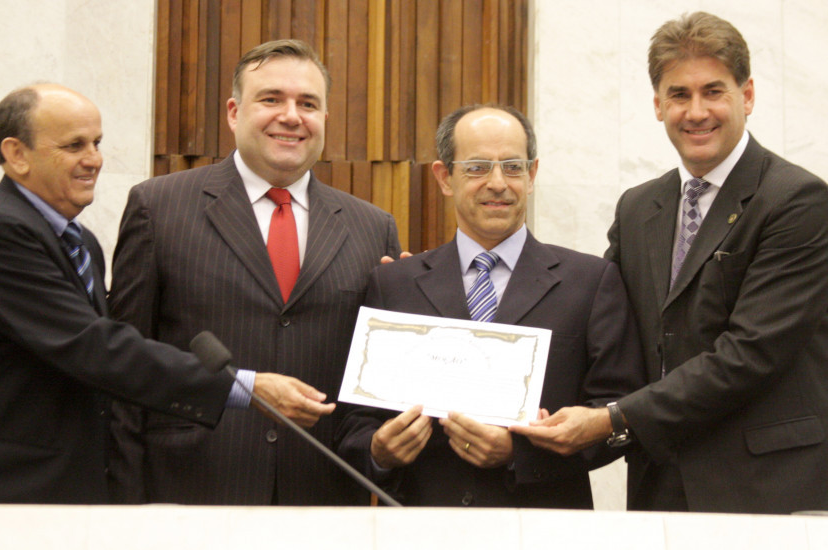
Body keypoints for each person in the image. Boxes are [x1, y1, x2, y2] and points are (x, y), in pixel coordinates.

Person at [511, 12, 828, 514]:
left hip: (767, 490)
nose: (696, 111)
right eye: (679, 94)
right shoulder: (639, 207)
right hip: (661, 488)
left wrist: (611, 418)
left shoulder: (798, 201)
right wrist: (442, 290)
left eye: (713, 91)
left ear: (747, 96)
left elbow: (749, 355)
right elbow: (591, 314)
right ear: (658, 105)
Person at [108, 39, 401, 505]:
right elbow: (123, 367)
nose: (291, 116)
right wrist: (124, 507)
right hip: (187, 495)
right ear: (233, 112)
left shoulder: (373, 228)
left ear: (325, 119)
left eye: (308, 104)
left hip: (322, 502)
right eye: (271, 99)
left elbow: (380, 388)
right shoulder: (159, 208)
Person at [0, 83, 264, 503]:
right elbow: (94, 347)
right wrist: (240, 387)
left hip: (76, 490)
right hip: (13, 496)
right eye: (74, 146)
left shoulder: (80, 241)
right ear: (16, 154)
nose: (94, 160)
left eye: (97, 142)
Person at [334, 105, 646, 508]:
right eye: (478, 167)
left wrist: (521, 455)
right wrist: (379, 450)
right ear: (445, 178)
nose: (498, 183)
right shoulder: (394, 285)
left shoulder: (590, 282)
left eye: (513, 167)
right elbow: (353, 422)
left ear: (531, 176)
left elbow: (619, 412)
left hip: (545, 530)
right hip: (425, 530)